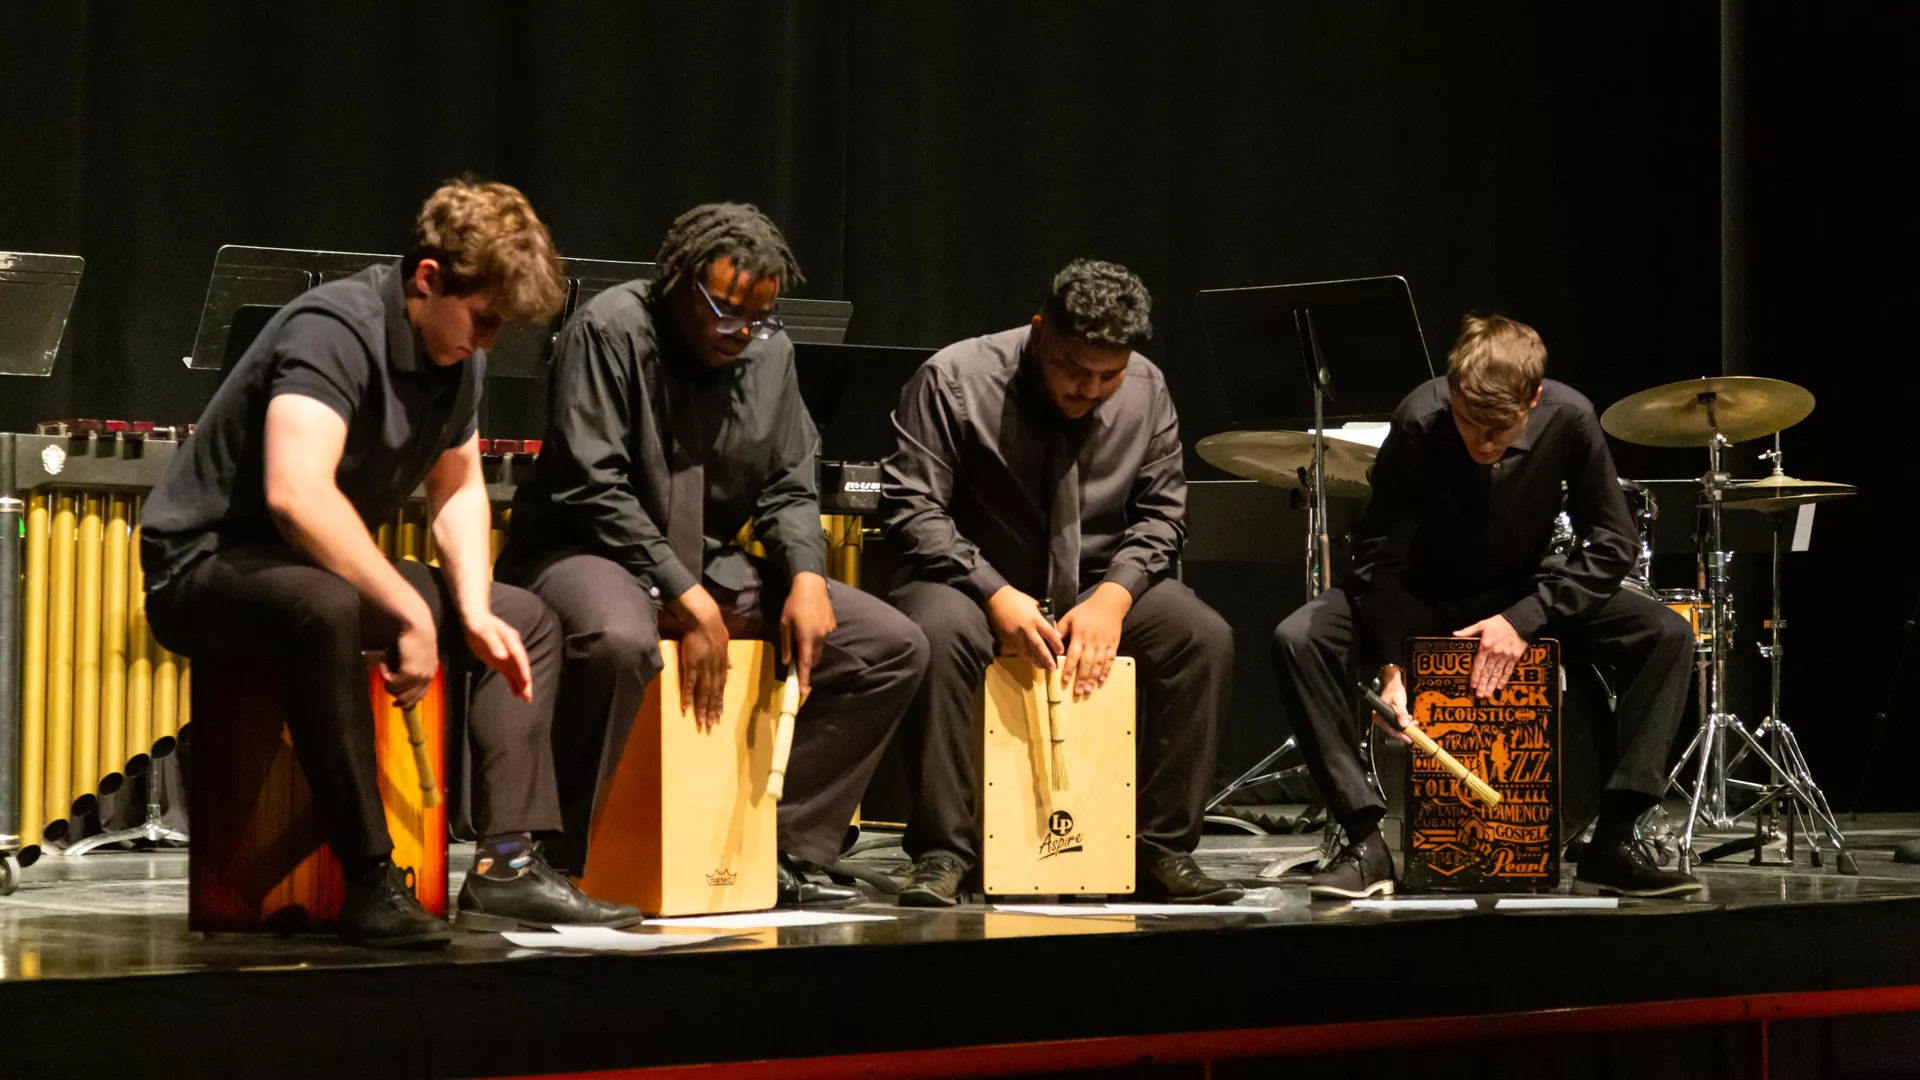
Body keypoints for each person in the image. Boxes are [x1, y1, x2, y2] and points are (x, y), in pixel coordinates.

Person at [140, 179, 641, 946]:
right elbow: (296, 496)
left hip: (316, 567)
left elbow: (459, 487)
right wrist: (409, 610)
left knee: (523, 617)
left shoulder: (458, 358)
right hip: (208, 565)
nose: (486, 342)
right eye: (482, 318)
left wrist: (469, 610)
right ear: (428, 278)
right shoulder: (333, 329)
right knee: (326, 609)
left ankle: (507, 863)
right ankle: (371, 878)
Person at [497, 202, 929, 907]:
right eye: (726, 310)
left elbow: (789, 485)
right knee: (617, 638)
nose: (742, 332)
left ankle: (779, 849)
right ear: (680, 280)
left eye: (759, 316)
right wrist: (682, 593)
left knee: (889, 645)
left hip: (708, 559)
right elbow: (591, 484)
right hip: (586, 549)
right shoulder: (608, 329)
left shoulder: (770, 352)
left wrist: (808, 577)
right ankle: (550, 857)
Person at [1271, 314, 1702, 900]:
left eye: (1499, 431)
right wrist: (1393, 667)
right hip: (1420, 591)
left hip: (1521, 590)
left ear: (1533, 398)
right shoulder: (1419, 419)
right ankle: (1365, 841)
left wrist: (1523, 619)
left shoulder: (1569, 417)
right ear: (1452, 396)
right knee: (1299, 637)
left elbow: (1616, 543)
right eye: (1471, 425)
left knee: (1667, 635)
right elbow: (1380, 557)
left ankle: (1617, 839)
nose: (1484, 443)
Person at [882, 259, 1241, 906]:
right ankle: (943, 851)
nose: (1092, 390)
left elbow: (1162, 514)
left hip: (1099, 582)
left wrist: (1115, 596)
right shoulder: (954, 379)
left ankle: (1161, 849)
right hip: (972, 580)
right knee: (933, 630)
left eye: (1110, 375)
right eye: (1075, 370)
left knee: (1200, 636)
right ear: (1040, 332)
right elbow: (913, 510)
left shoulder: (1147, 389)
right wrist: (994, 592)